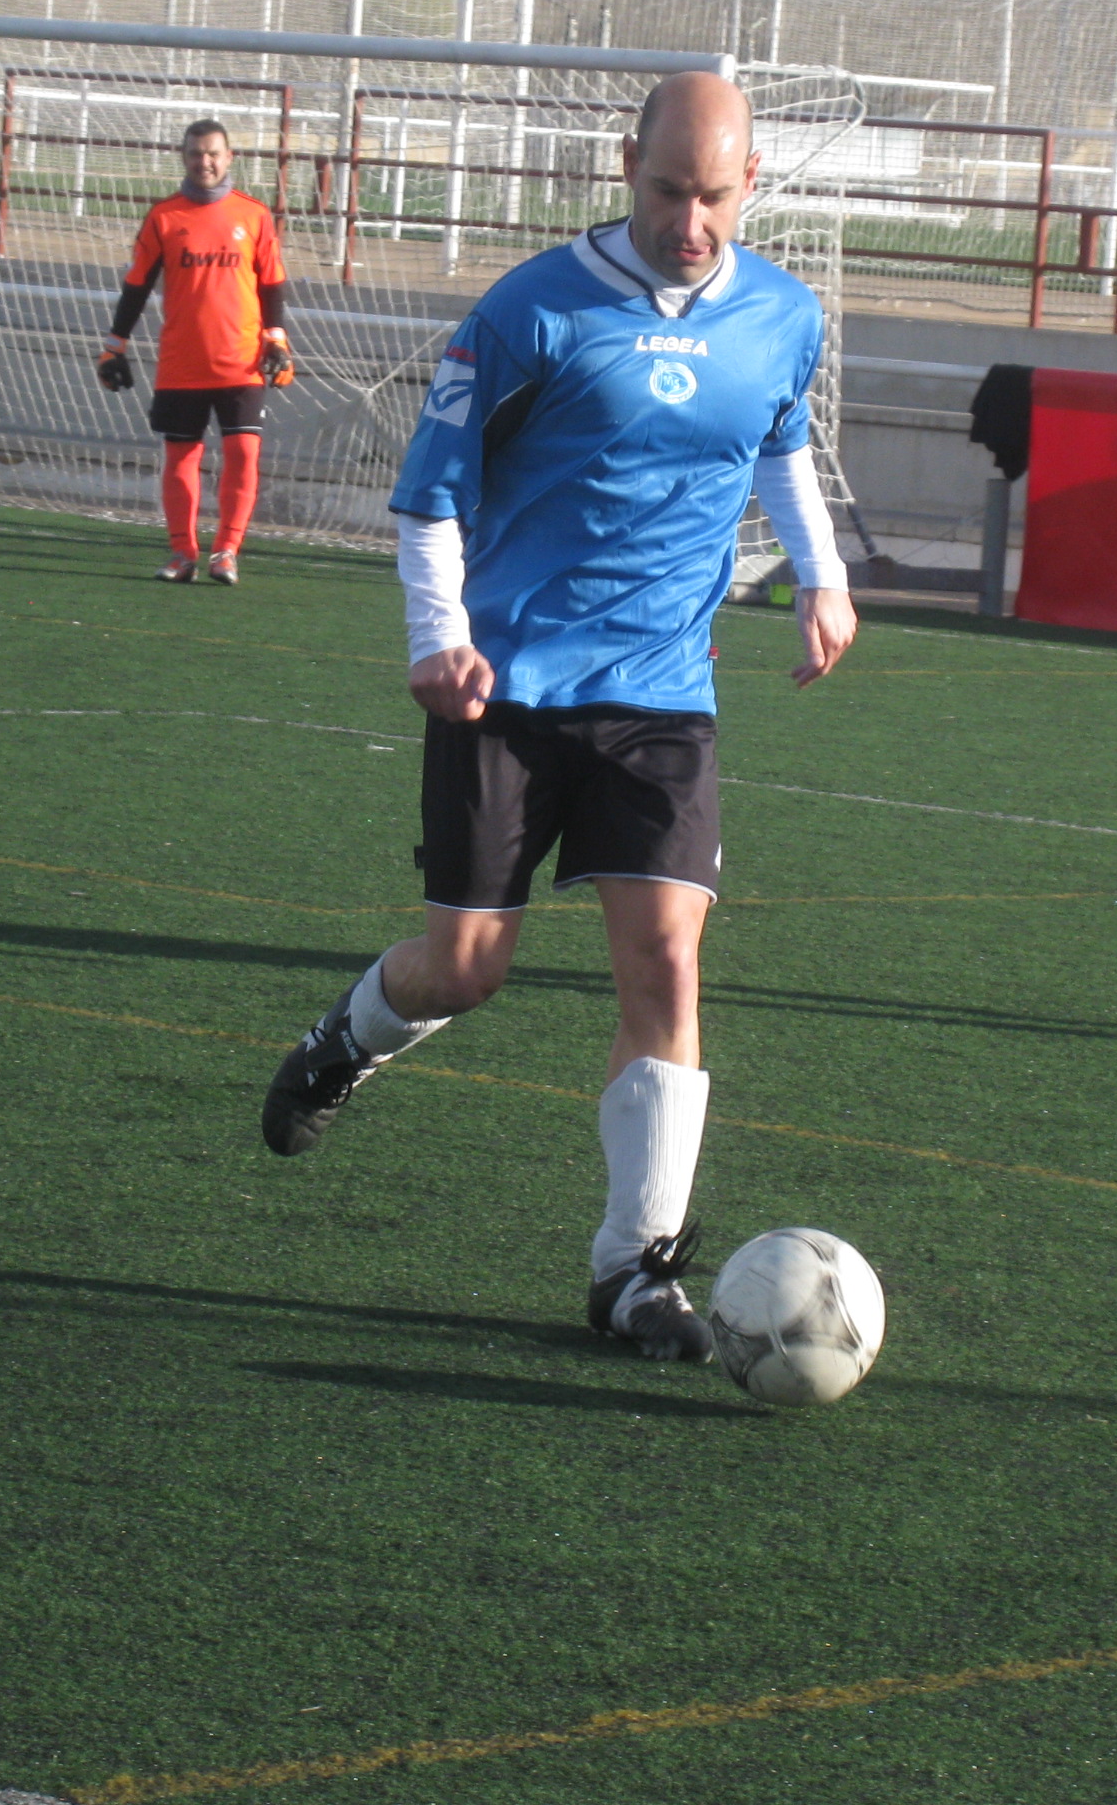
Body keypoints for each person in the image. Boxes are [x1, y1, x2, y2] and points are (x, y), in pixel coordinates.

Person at [256, 70, 859, 1363]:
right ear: (623, 162)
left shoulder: (783, 316)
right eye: (665, 191)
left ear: (751, 183)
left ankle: (635, 1274)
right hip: (508, 688)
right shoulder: (529, 313)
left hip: (662, 691)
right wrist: (441, 640)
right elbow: (429, 494)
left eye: (713, 196)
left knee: (668, 962)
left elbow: (778, 440)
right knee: (464, 970)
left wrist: (823, 575)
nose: (688, 221)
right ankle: (343, 1041)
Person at [94, 119, 294, 585]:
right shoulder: (165, 216)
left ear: (229, 158)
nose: (204, 162)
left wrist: (277, 339)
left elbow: (273, 285)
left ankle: (226, 551)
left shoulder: (254, 215)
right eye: (194, 154)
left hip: (242, 360)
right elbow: (137, 286)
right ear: (182, 157)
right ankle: (182, 554)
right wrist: (113, 346)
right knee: (181, 457)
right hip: (181, 362)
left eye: (212, 154)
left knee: (243, 453)